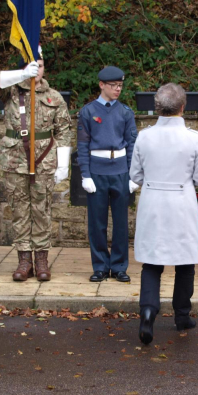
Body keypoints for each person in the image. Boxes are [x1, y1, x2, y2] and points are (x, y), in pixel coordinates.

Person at [129, 83, 198, 345]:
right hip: (180, 202)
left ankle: (149, 310)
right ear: (183, 107)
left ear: (157, 107)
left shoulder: (144, 136)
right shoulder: (193, 137)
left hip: (153, 201)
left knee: (152, 262)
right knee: (184, 262)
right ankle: (182, 315)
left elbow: (135, 176)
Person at [0, 46, 73, 282]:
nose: (37, 70)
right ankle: (24, 261)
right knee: (20, 210)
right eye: (32, 65)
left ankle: (41, 259)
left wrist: (63, 165)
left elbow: (64, 131)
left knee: (42, 210)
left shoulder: (54, 97)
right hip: (15, 161)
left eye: (40, 65)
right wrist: (21, 75)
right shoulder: (10, 92)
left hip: (44, 162)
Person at [76, 66, 139, 283]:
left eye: (120, 85)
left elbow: (132, 145)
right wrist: (85, 174)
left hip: (120, 171)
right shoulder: (88, 112)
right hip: (97, 171)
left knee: (121, 222)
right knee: (97, 223)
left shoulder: (125, 112)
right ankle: (100, 266)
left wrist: (133, 175)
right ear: (101, 85)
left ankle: (120, 266)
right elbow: (82, 146)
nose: (117, 89)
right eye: (113, 85)